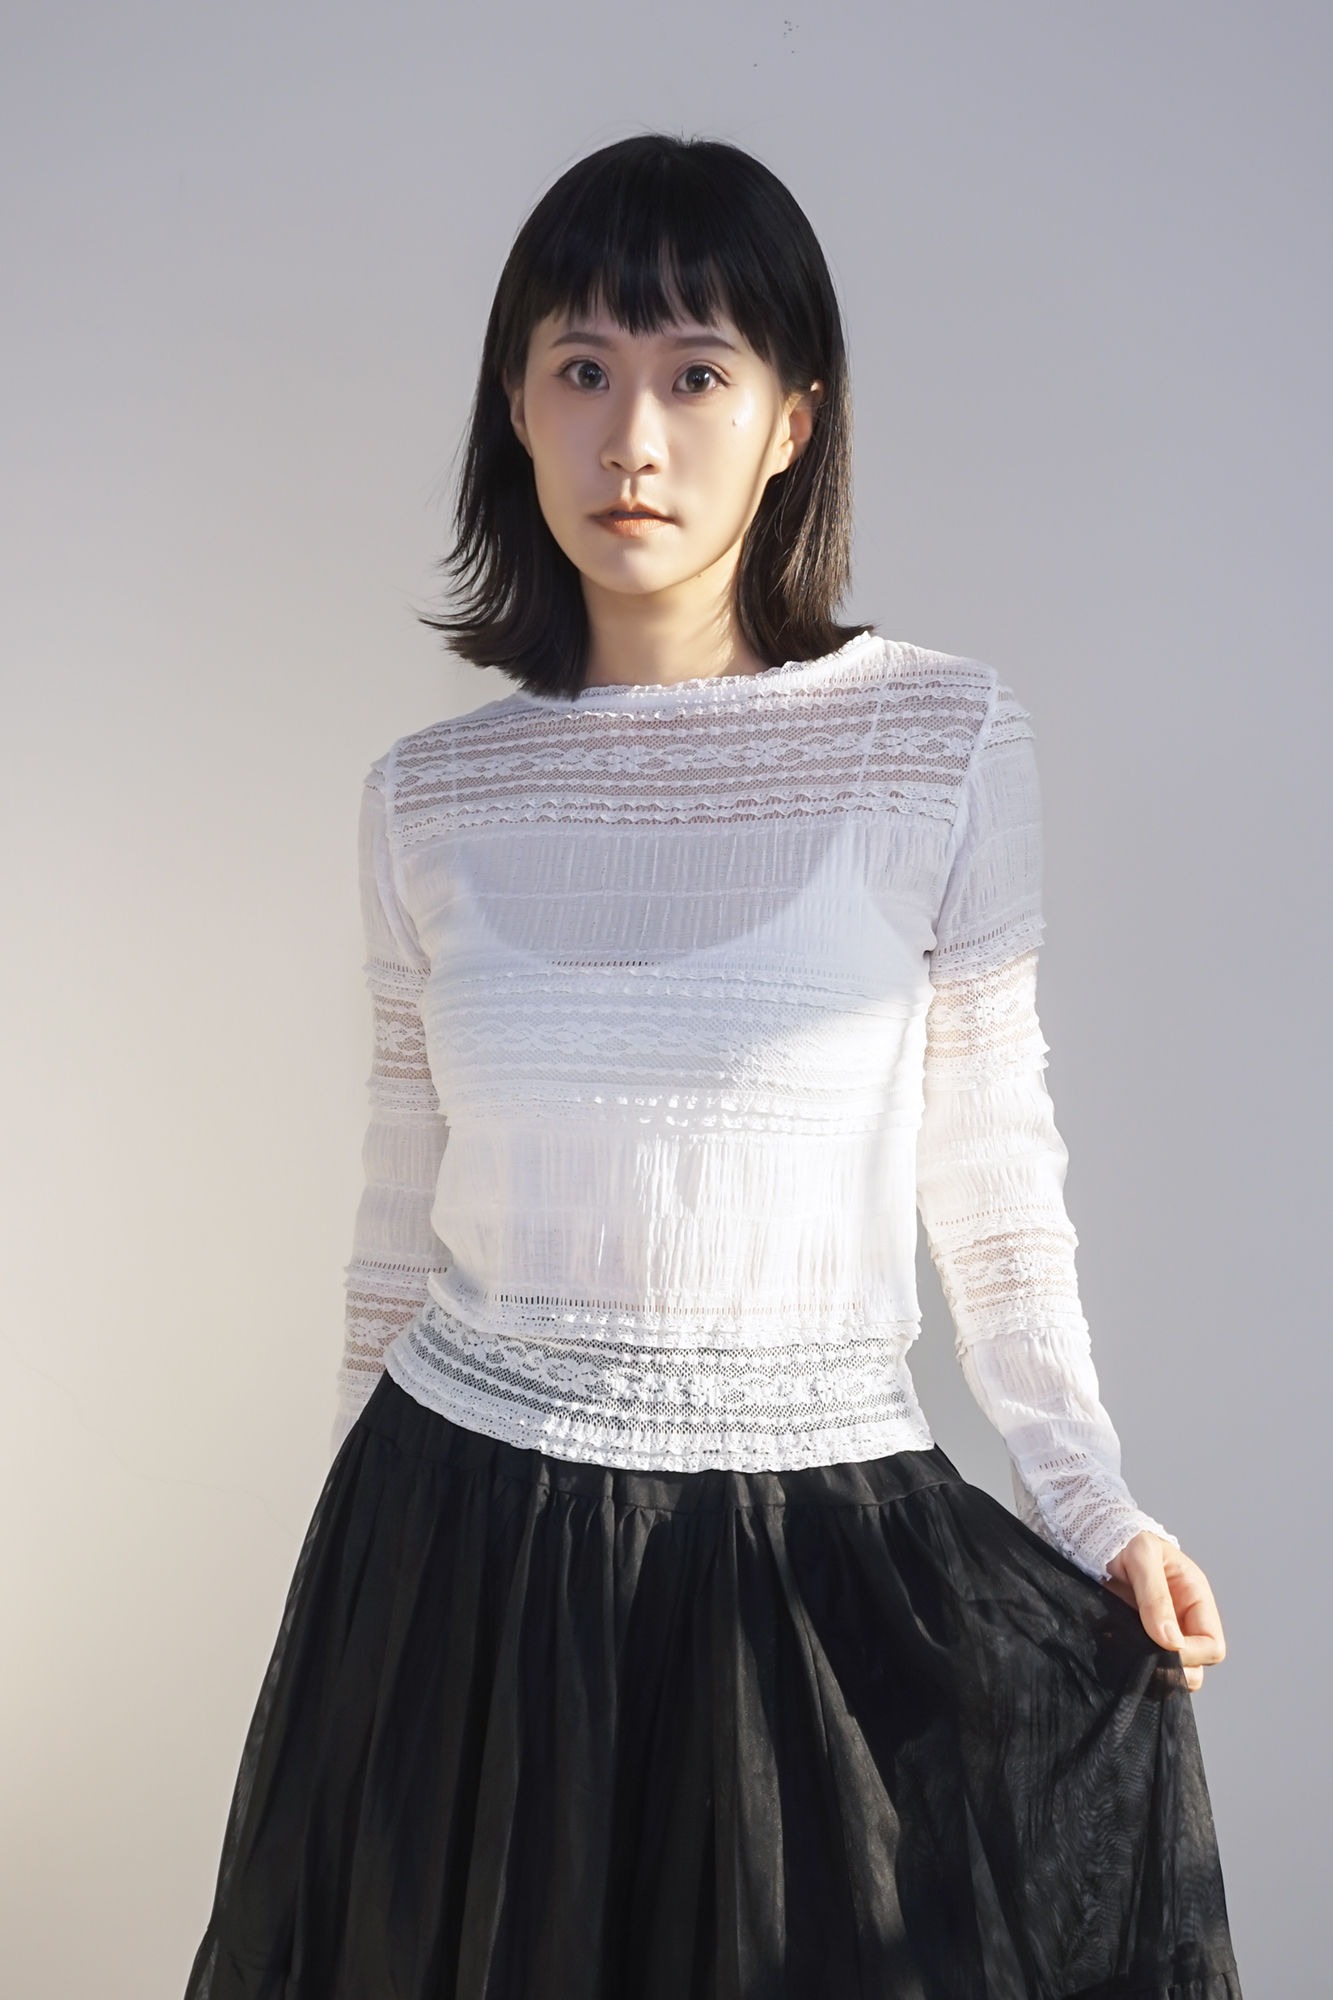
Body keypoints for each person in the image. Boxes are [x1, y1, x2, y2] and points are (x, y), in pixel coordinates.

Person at [186, 135, 1239, 2000]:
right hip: (462, 1542)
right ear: (514, 404)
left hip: (805, 1559)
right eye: (581, 369)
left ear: (790, 424)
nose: (633, 439)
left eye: (695, 375)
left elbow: (994, 1172)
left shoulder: (937, 739)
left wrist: (1088, 1504)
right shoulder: (429, 798)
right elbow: (395, 1215)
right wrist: (359, 1592)